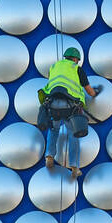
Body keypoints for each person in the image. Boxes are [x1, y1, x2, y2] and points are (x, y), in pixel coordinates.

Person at [37, 47, 102, 181]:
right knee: (73, 134)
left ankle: (49, 156)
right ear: (75, 59)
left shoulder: (54, 67)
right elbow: (89, 91)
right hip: (70, 107)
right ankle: (74, 167)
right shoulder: (76, 69)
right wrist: (96, 92)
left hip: (53, 104)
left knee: (53, 129)